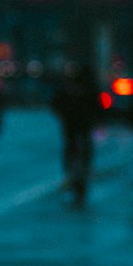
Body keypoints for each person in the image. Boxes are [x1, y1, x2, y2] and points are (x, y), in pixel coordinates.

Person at [50, 62, 102, 199]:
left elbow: (56, 104)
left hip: (72, 124)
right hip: (79, 124)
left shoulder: (68, 88)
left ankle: (70, 173)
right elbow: (99, 106)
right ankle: (81, 169)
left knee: (72, 146)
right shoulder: (89, 89)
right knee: (80, 146)